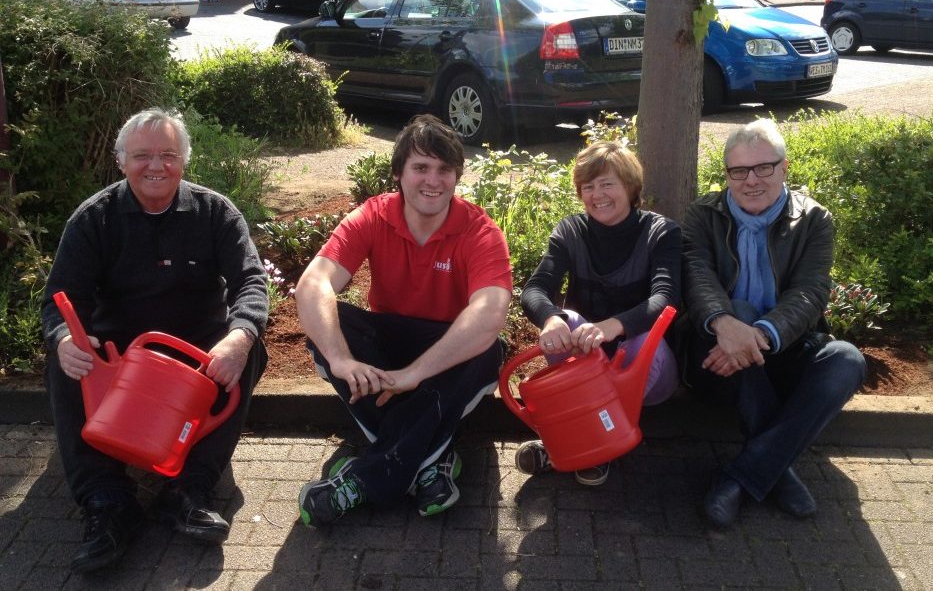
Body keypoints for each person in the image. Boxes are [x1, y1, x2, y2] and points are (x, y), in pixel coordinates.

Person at [40, 108, 269, 572]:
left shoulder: (216, 212)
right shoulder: (93, 220)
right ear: (122, 161)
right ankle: (107, 501)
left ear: (184, 160)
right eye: (142, 156)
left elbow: (250, 281)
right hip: (120, 352)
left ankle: (189, 488)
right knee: (67, 360)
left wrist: (240, 335)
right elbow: (59, 300)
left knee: (248, 350)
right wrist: (65, 337)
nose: (156, 166)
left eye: (168, 154)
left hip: (197, 350)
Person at [293, 114, 512, 526]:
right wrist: (341, 360)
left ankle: (362, 480)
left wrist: (416, 373)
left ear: (457, 176)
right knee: (330, 323)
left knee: (487, 348)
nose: (433, 180)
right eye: (421, 168)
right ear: (399, 174)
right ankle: (433, 459)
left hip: (448, 356)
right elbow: (313, 285)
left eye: (444, 169)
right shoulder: (374, 215)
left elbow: (490, 312)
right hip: (391, 343)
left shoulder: (480, 231)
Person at [681, 118, 865, 529]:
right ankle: (776, 472)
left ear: (784, 167)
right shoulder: (702, 215)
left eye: (763, 167)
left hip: (782, 348)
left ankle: (741, 476)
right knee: (741, 311)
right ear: (727, 174)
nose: (751, 180)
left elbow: (810, 292)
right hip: (714, 356)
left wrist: (760, 335)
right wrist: (725, 323)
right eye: (739, 171)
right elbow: (697, 274)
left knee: (847, 360)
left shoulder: (815, 220)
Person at [518, 141, 682, 486]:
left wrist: (613, 327)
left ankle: (566, 445)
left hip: (646, 369)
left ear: (630, 186)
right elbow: (535, 289)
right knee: (568, 320)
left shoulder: (661, 233)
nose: (597, 195)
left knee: (638, 343)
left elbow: (665, 297)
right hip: (585, 364)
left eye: (607, 184)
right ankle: (594, 445)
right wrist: (550, 318)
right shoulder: (570, 231)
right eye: (588, 186)